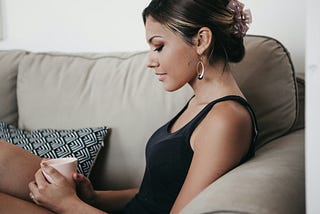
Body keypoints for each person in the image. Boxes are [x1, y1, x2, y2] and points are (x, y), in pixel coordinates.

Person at [0, 0, 257, 213]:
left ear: (201, 40)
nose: (150, 61)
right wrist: (94, 197)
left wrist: (69, 205)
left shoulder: (227, 118)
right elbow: (156, 194)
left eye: (159, 46)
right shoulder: (201, 105)